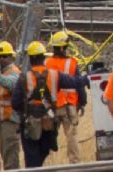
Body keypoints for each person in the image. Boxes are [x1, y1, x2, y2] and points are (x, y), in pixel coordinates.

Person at [11, 41, 88, 168]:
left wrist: (24, 111)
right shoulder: (54, 75)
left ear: (30, 59)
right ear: (43, 57)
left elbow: (15, 103)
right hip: (49, 123)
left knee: (32, 159)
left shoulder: (24, 78)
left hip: (31, 124)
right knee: (43, 152)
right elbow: (74, 82)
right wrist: (87, 78)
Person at [45, 31, 84, 164]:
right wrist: (82, 102)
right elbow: (79, 85)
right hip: (69, 106)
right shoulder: (72, 63)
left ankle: (48, 164)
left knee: (48, 136)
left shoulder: (46, 63)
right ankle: (75, 163)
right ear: (62, 47)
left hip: (52, 107)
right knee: (71, 136)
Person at [0, 41, 21, 170]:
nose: (2, 59)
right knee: (6, 153)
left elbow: (10, 84)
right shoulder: (2, 73)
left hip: (11, 120)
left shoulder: (14, 72)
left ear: (11, 57)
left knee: (11, 154)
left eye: (5, 56)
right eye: (0, 56)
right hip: (3, 121)